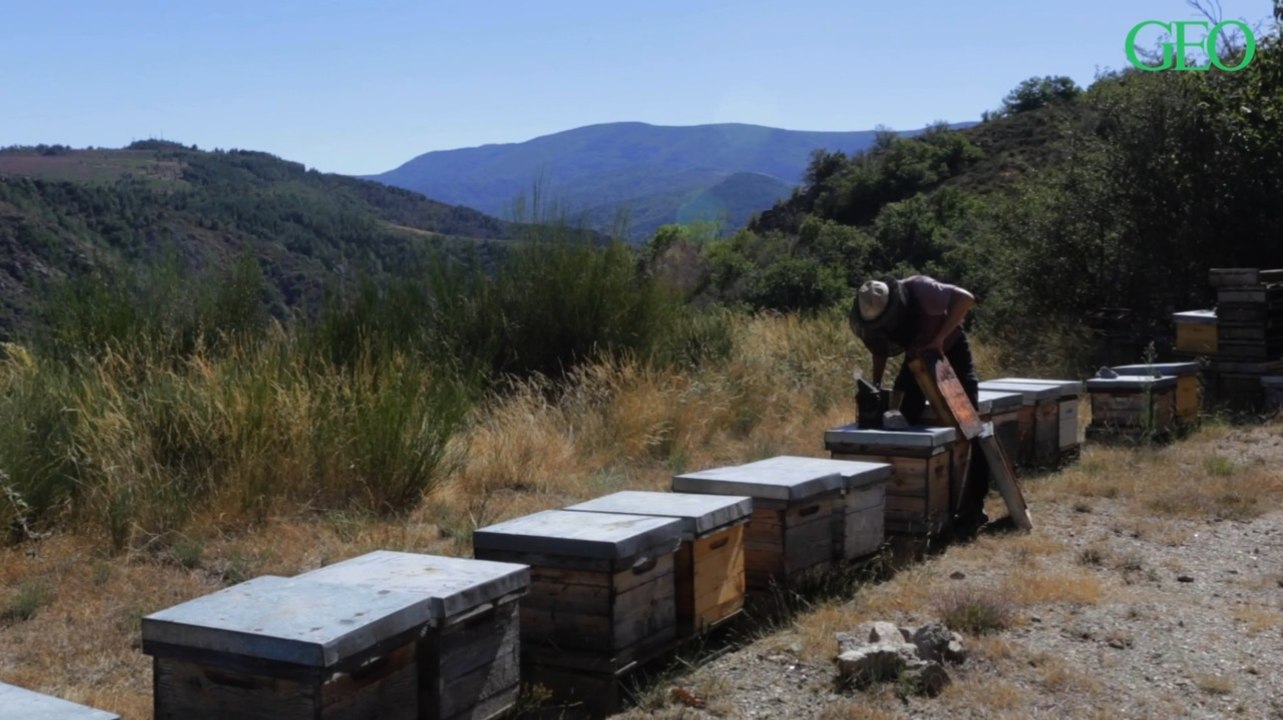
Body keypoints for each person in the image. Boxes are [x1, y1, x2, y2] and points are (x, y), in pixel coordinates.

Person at [848, 275, 989, 538]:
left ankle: (975, 505)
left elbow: (966, 299)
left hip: (951, 350)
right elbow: (879, 349)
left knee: (970, 425)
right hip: (915, 358)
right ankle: (908, 499)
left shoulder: (923, 289)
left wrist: (939, 338)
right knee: (899, 419)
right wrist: (876, 386)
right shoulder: (875, 313)